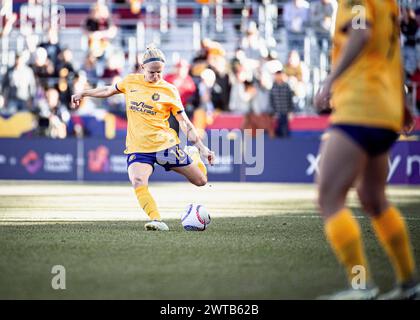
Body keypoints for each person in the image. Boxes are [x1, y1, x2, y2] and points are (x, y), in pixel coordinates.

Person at [314, 0, 419, 299]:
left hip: (361, 104)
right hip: (385, 108)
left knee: (329, 197)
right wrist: (401, 103)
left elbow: (360, 33)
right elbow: (391, 52)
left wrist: (330, 81)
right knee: (373, 199)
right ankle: (410, 283)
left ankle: (361, 286)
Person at [71, 45, 215, 231]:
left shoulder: (169, 90)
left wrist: (202, 148)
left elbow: (184, 122)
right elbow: (108, 90)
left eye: (160, 72)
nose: (156, 76)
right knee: (138, 181)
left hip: (165, 146)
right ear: (142, 68)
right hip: (138, 147)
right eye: (152, 72)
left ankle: (192, 154)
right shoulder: (131, 81)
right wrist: (83, 93)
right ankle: (156, 220)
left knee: (201, 181)